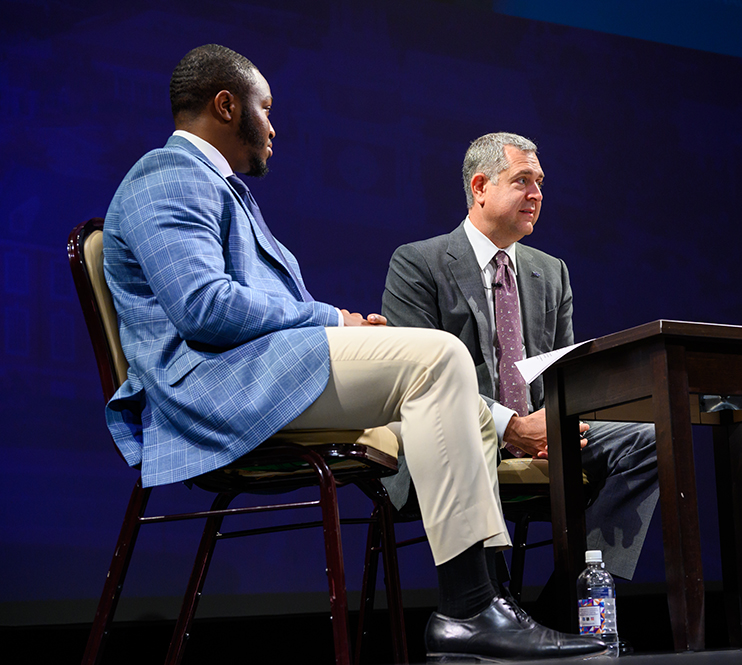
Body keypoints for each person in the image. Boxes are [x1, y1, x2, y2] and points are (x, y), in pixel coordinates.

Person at [102, 45, 606, 661]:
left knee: (468, 410)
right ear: (226, 106)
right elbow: (204, 308)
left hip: (262, 371)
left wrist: (337, 327)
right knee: (439, 357)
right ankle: (469, 608)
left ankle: (487, 602)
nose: (274, 126)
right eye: (266, 109)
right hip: (215, 386)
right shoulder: (169, 175)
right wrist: (330, 319)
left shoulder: (214, 186)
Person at [381, 132, 659, 588]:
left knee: (649, 438)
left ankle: (576, 597)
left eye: (540, 182)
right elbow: (418, 382)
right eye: (522, 181)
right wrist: (510, 426)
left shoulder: (551, 271)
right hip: (455, 434)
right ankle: (492, 604)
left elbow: (563, 376)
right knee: (468, 433)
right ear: (480, 187)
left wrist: (557, 424)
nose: (536, 195)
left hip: (538, 430)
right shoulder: (419, 263)